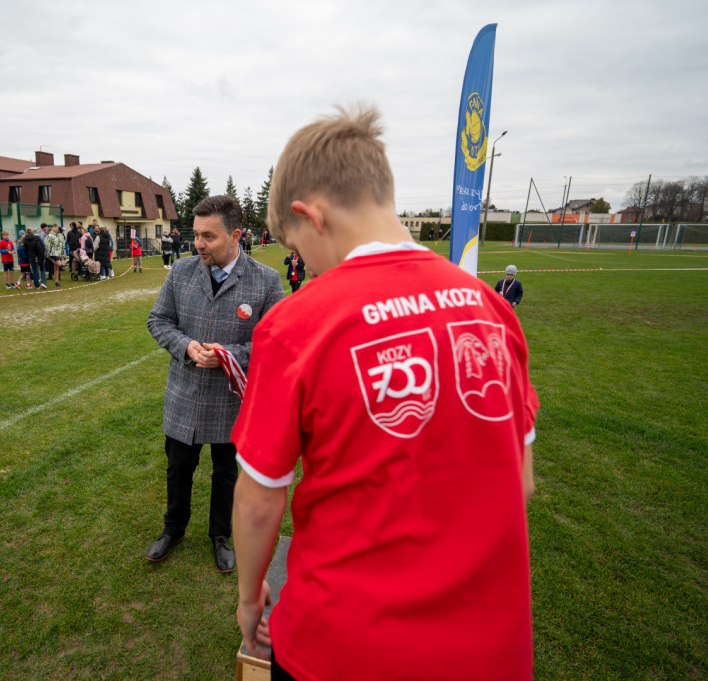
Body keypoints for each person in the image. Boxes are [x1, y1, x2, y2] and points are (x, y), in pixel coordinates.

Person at [231, 106, 539, 681]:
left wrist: (250, 600)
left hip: (340, 645)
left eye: (298, 248)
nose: (305, 266)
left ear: (309, 215)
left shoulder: (298, 325)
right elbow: (519, 482)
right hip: (488, 649)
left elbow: (258, 500)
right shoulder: (493, 311)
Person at [145, 195, 284, 572]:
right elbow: (158, 320)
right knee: (178, 468)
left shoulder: (266, 281)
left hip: (232, 400)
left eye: (208, 236)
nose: (198, 244)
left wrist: (229, 355)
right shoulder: (181, 271)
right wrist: (186, 346)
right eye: (196, 235)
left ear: (236, 235)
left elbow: (274, 342)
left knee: (226, 472)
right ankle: (173, 529)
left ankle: (220, 535)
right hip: (184, 395)